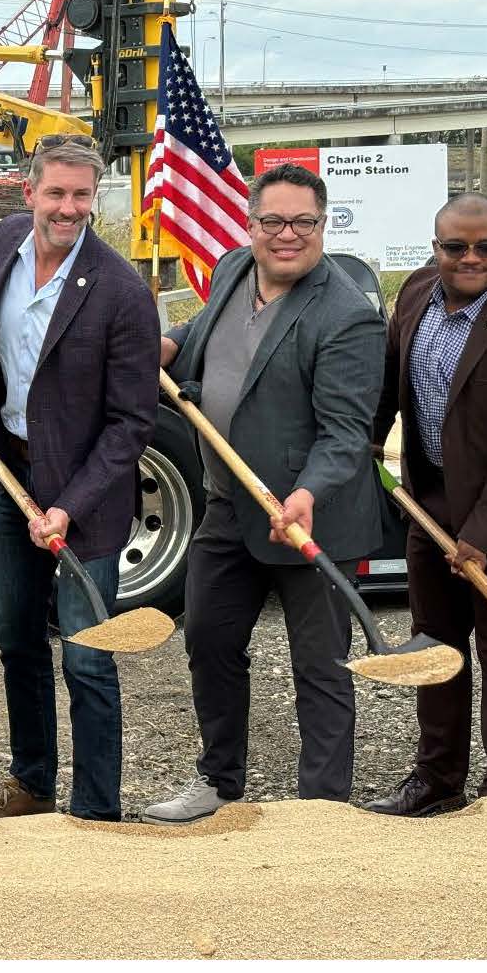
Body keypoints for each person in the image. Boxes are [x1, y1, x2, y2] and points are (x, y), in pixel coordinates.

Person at [142, 166, 384, 821]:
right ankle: (219, 783)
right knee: (211, 644)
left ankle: (323, 809)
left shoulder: (345, 316)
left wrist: (306, 493)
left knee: (320, 667)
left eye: (303, 222)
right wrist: (170, 343)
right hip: (229, 506)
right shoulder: (230, 270)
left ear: (323, 226)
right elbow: (208, 335)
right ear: (249, 225)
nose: (287, 235)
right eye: (272, 221)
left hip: (312, 518)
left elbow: (344, 433)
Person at [0, 138, 160, 826]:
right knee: (15, 638)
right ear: (28, 193)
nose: (69, 208)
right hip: (11, 474)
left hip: (84, 496)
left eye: (82, 195)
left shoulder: (122, 293)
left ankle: (95, 811)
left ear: (96, 197)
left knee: (88, 655)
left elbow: (130, 425)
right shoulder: (5, 240)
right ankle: (31, 787)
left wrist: (68, 506)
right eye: (56, 193)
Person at [368, 194, 487, 814]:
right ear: (433, 247)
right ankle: (437, 782)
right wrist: (363, 449)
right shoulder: (414, 294)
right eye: (455, 246)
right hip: (428, 507)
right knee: (435, 646)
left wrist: (482, 537)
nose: (471, 259)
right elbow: (389, 385)